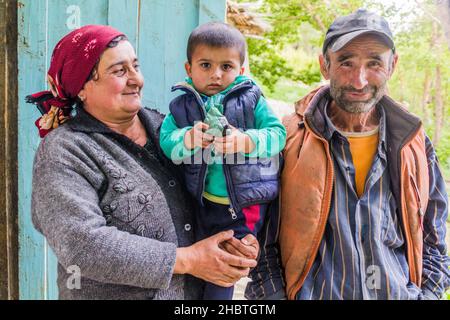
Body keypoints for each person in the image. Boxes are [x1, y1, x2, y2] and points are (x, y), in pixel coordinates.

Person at [27, 24, 260, 300]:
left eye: (135, 66)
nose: (135, 79)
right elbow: (81, 245)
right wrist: (189, 260)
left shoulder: (167, 129)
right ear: (82, 88)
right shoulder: (65, 150)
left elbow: (214, 191)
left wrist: (238, 239)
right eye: (119, 71)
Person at [248, 8, 450, 300]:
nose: (359, 80)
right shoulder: (288, 139)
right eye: (345, 62)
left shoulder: (414, 144)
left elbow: (435, 240)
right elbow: (260, 241)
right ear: (324, 65)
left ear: (392, 65)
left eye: (374, 63)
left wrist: (427, 295)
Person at [159, 22, 287, 300]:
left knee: (224, 269)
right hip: (200, 204)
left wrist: (247, 141)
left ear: (241, 70)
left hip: (243, 206)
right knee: (197, 269)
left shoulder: (251, 100)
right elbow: (167, 142)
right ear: (188, 68)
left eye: (226, 67)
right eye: (205, 65)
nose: (216, 74)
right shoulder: (181, 106)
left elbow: (278, 135)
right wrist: (187, 139)